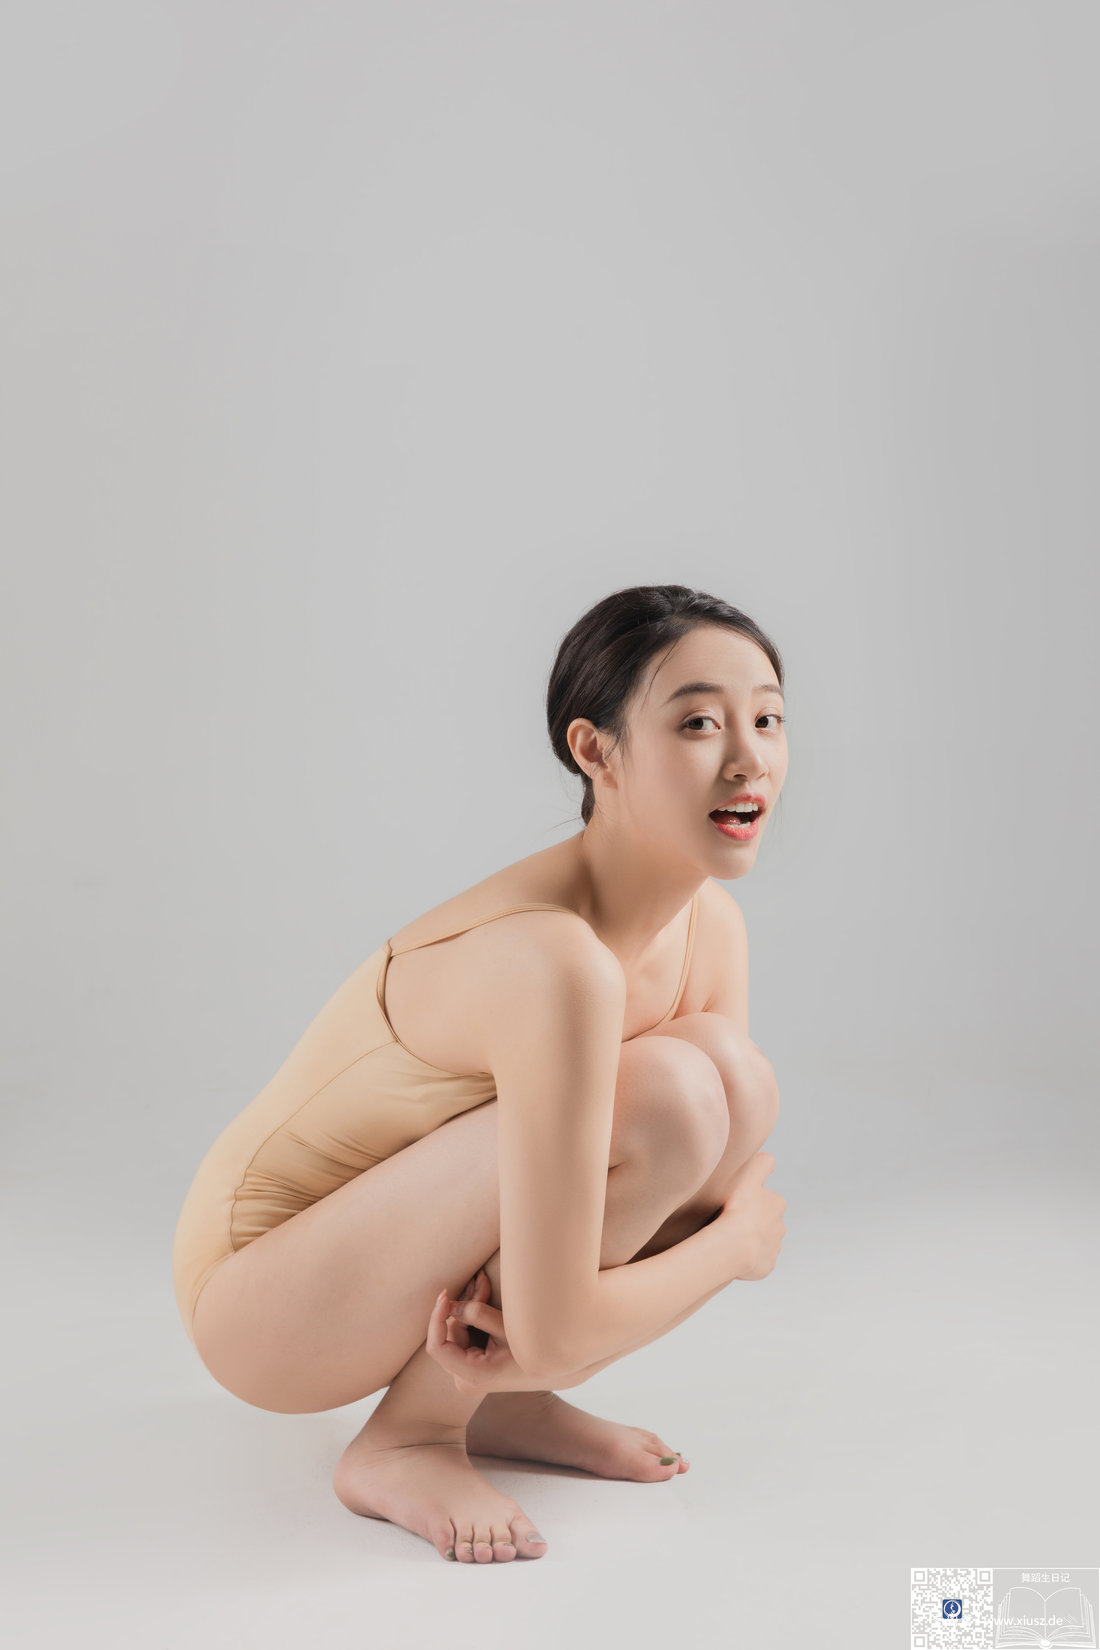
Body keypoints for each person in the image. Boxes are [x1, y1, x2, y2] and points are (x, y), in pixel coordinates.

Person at [171, 581, 789, 1564]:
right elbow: (582, 1311)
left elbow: (673, 1208)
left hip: (400, 1260)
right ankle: (407, 1439)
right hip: (262, 1298)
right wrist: (737, 1253)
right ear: (595, 752)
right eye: (699, 723)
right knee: (672, 1096)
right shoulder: (552, 960)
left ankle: (500, 1404)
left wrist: (559, 1334)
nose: (748, 758)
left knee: (730, 1081)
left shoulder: (708, 926)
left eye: (767, 719)